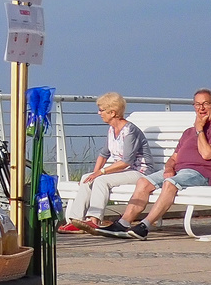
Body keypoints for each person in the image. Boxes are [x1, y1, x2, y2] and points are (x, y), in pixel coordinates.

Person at [100, 89, 211, 239]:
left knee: (170, 183)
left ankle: (144, 226)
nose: (201, 108)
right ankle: (123, 223)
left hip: (201, 174)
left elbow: (206, 154)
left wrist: (200, 130)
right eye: (197, 104)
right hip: (178, 171)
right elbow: (174, 157)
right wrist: (169, 168)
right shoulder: (188, 132)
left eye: (206, 104)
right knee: (143, 182)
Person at [63, 92, 152, 233]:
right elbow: (104, 154)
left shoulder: (130, 131)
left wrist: (101, 172)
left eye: (102, 110)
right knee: (87, 178)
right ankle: (76, 220)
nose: (99, 113)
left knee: (101, 181)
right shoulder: (112, 129)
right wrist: (94, 172)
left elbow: (127, 161)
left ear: (113, 112)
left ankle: (94, 220)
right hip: (125, 171)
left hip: (140, 172)